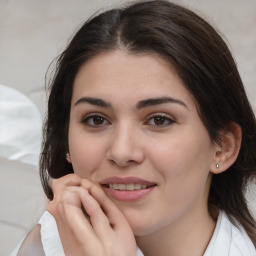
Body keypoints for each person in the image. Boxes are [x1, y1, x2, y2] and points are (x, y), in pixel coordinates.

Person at [14, 0, 256, 255]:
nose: (121, 151)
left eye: (159, 120)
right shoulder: (41, 246)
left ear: (223, 147)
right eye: (96, 119)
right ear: (66, 141)